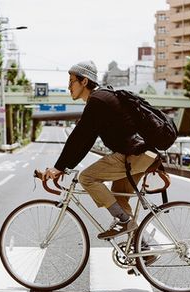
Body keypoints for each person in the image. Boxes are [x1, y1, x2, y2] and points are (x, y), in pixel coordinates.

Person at [42, 60, 157, 240]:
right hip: (142, 154)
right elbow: (86, 140)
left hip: (133, 155)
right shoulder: (103, 98)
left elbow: (79, 136)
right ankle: (142, 248)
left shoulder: (97, 100)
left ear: (84, 81)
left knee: (86, 177)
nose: (68, 87)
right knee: (118, 201)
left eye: (71, 81)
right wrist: (63, 166)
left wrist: (59, 168)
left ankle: (125, 222)